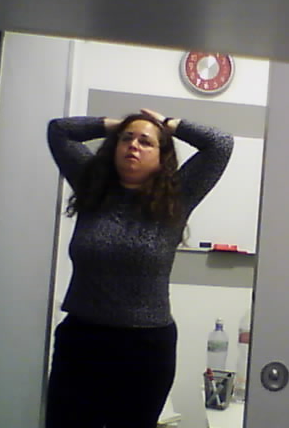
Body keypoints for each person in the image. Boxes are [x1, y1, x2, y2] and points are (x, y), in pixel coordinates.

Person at [45, 108, 233, 428]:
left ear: (162, 156)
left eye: (146, 141)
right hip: (82, 340)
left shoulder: (177, 197)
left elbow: (220, 144)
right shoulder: (92, 186)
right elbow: (59, 130)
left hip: (144, 349)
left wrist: (168, 125)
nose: (133, 145)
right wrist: (116, 124)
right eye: (126, 139)